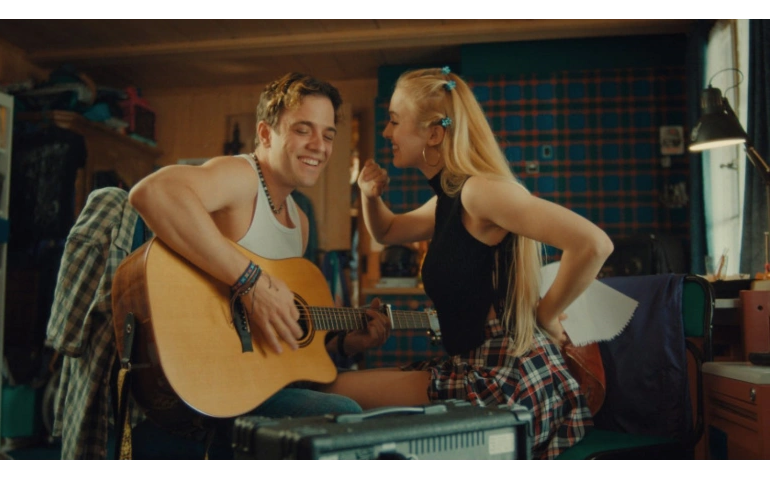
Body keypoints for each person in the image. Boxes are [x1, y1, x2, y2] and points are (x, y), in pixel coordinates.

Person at [320, 67, 614, 460]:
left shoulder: (478, 192)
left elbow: (593, 244)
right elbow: (388, 230)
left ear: (433, 134)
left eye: (394, 120)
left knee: (326, 394)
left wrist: (545, 315)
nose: (387, 132)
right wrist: (369, 196)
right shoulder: (450, 198)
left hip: (504, 380)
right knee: (329, 390)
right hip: (473, 366)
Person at [127, 72, 391, 461]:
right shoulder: (243, 178)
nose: (319, 146)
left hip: (252, 383)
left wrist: (344, 343)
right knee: (345, 415)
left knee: (374, 404)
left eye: (328, 134)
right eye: (303, 130)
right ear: (266, 134)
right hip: (203, 382)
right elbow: (152, 192)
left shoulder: (300, 223)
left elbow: (281, 335)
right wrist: (250, 281)